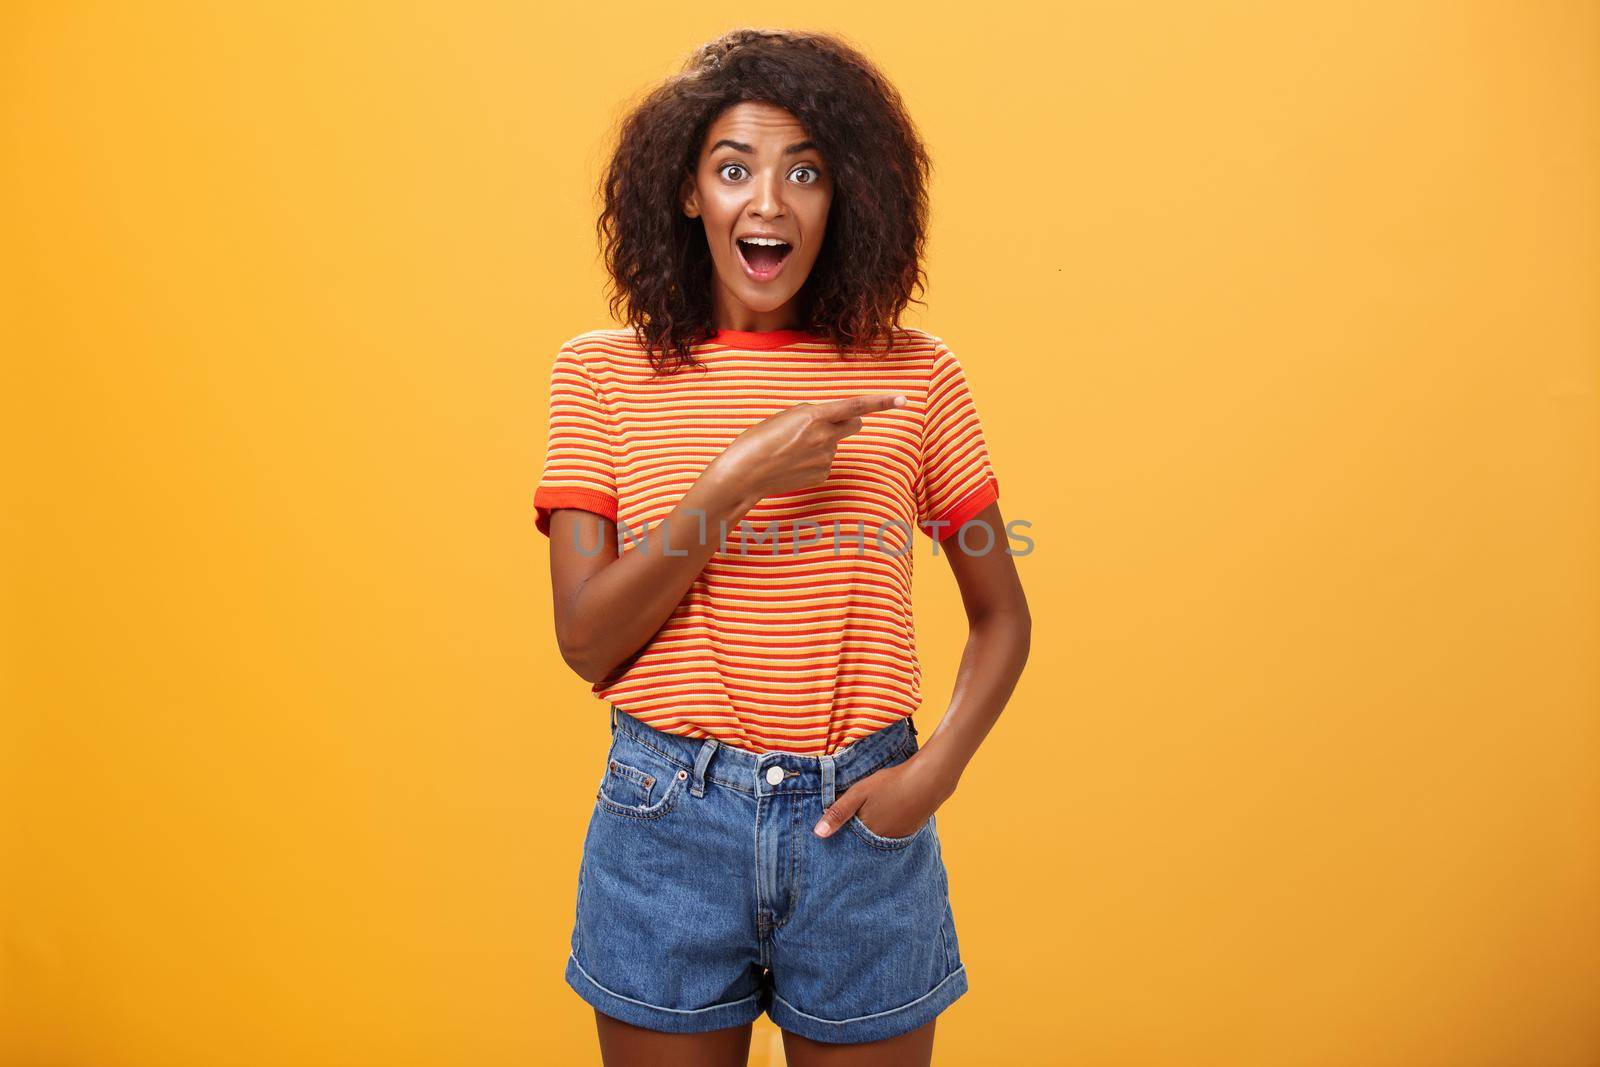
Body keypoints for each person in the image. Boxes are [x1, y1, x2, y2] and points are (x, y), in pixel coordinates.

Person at [533, 27, 1031, 1067]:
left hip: (863, 826)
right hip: (665, 820)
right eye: (733, 169)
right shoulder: (598, 377)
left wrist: (931, 775)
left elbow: (1001, 614)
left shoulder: (917, 377)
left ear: (843, 194)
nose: (768, 202)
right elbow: (585, 639)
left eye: (804, 171)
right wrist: (734, 479)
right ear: (685, 194)